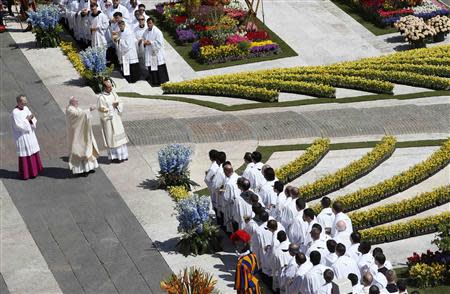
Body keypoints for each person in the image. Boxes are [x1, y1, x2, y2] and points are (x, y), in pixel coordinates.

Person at [10, 95, 43, 180]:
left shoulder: (26, 108)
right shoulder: (15, 112)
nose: (25, 102)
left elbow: (31, 117)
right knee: (26, 154)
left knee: (33, 151)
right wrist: (27, 120)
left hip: (30, 134)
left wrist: (31, 119)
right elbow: (18, 125)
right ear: (18, 102)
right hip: (22, 136)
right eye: (23, 101)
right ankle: (26, 173)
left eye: (25, 101)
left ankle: (36, 170)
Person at [66, 96, 99, 176]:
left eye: (77, 101)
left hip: (83, 133)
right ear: (72, 102)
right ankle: (80, 171)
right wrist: (89, 110)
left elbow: (83, 115)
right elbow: (77, 115)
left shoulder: (77, 108)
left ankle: (88, 168)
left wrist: (87, 113)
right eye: (76, 101)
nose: (78, 102)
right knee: (79, 151)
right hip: (77, 135)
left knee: (87, 149)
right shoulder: (70, 109)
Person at [97, 80, 129, 162]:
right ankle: (115, 157)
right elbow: (101, 110)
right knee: (113, 138)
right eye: (109, 87)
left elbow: (120, 101)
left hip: (116, 118)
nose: (111, 88)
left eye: (111, 86)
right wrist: (111, 107)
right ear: (104, 88)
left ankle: (123, 155)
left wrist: (118, 105)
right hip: (109, 120)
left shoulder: (113, 93)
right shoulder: (101, 98)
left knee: (120, 137)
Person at [231, 230, 261, 294]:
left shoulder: (241, 264)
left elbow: (242, 286)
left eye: (237, 244)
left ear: (244, 244)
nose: (236, 247)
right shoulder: (253, 256)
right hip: (255, 288)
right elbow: (256, 274)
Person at [143, 17, 169, 86]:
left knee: (159, 67)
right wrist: (144, 42)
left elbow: (159, 43)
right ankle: (154, 81)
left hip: (156, 53)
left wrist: (150, 43)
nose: (149, 24)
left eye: (150, 23)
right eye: (148, 23)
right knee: (152, 68)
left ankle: (162, 81)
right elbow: (143, 39)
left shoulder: (157, 32)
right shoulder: (146, 31)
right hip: (149, 52)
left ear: (153, 23)